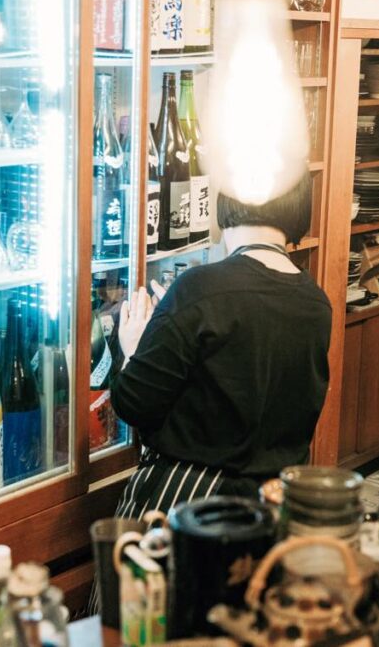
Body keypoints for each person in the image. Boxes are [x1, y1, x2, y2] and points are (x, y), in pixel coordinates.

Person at [110, 173, 332, 518]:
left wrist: (135, 346)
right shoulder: (316, 302)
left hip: (191, 497)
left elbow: (134, 403)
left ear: (227, 200)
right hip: (275, 500)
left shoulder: (199, 288)